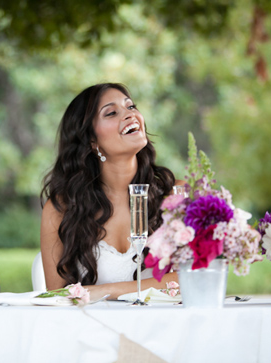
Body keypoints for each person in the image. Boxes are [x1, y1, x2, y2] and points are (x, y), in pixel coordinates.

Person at [40, 83, 177, 301]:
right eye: (112, 112)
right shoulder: (61, 208)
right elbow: (57, 298)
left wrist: (105, 291)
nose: (129, 115)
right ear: (92, 141)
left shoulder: (173, 195)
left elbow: (190, 281)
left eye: (131, 107)